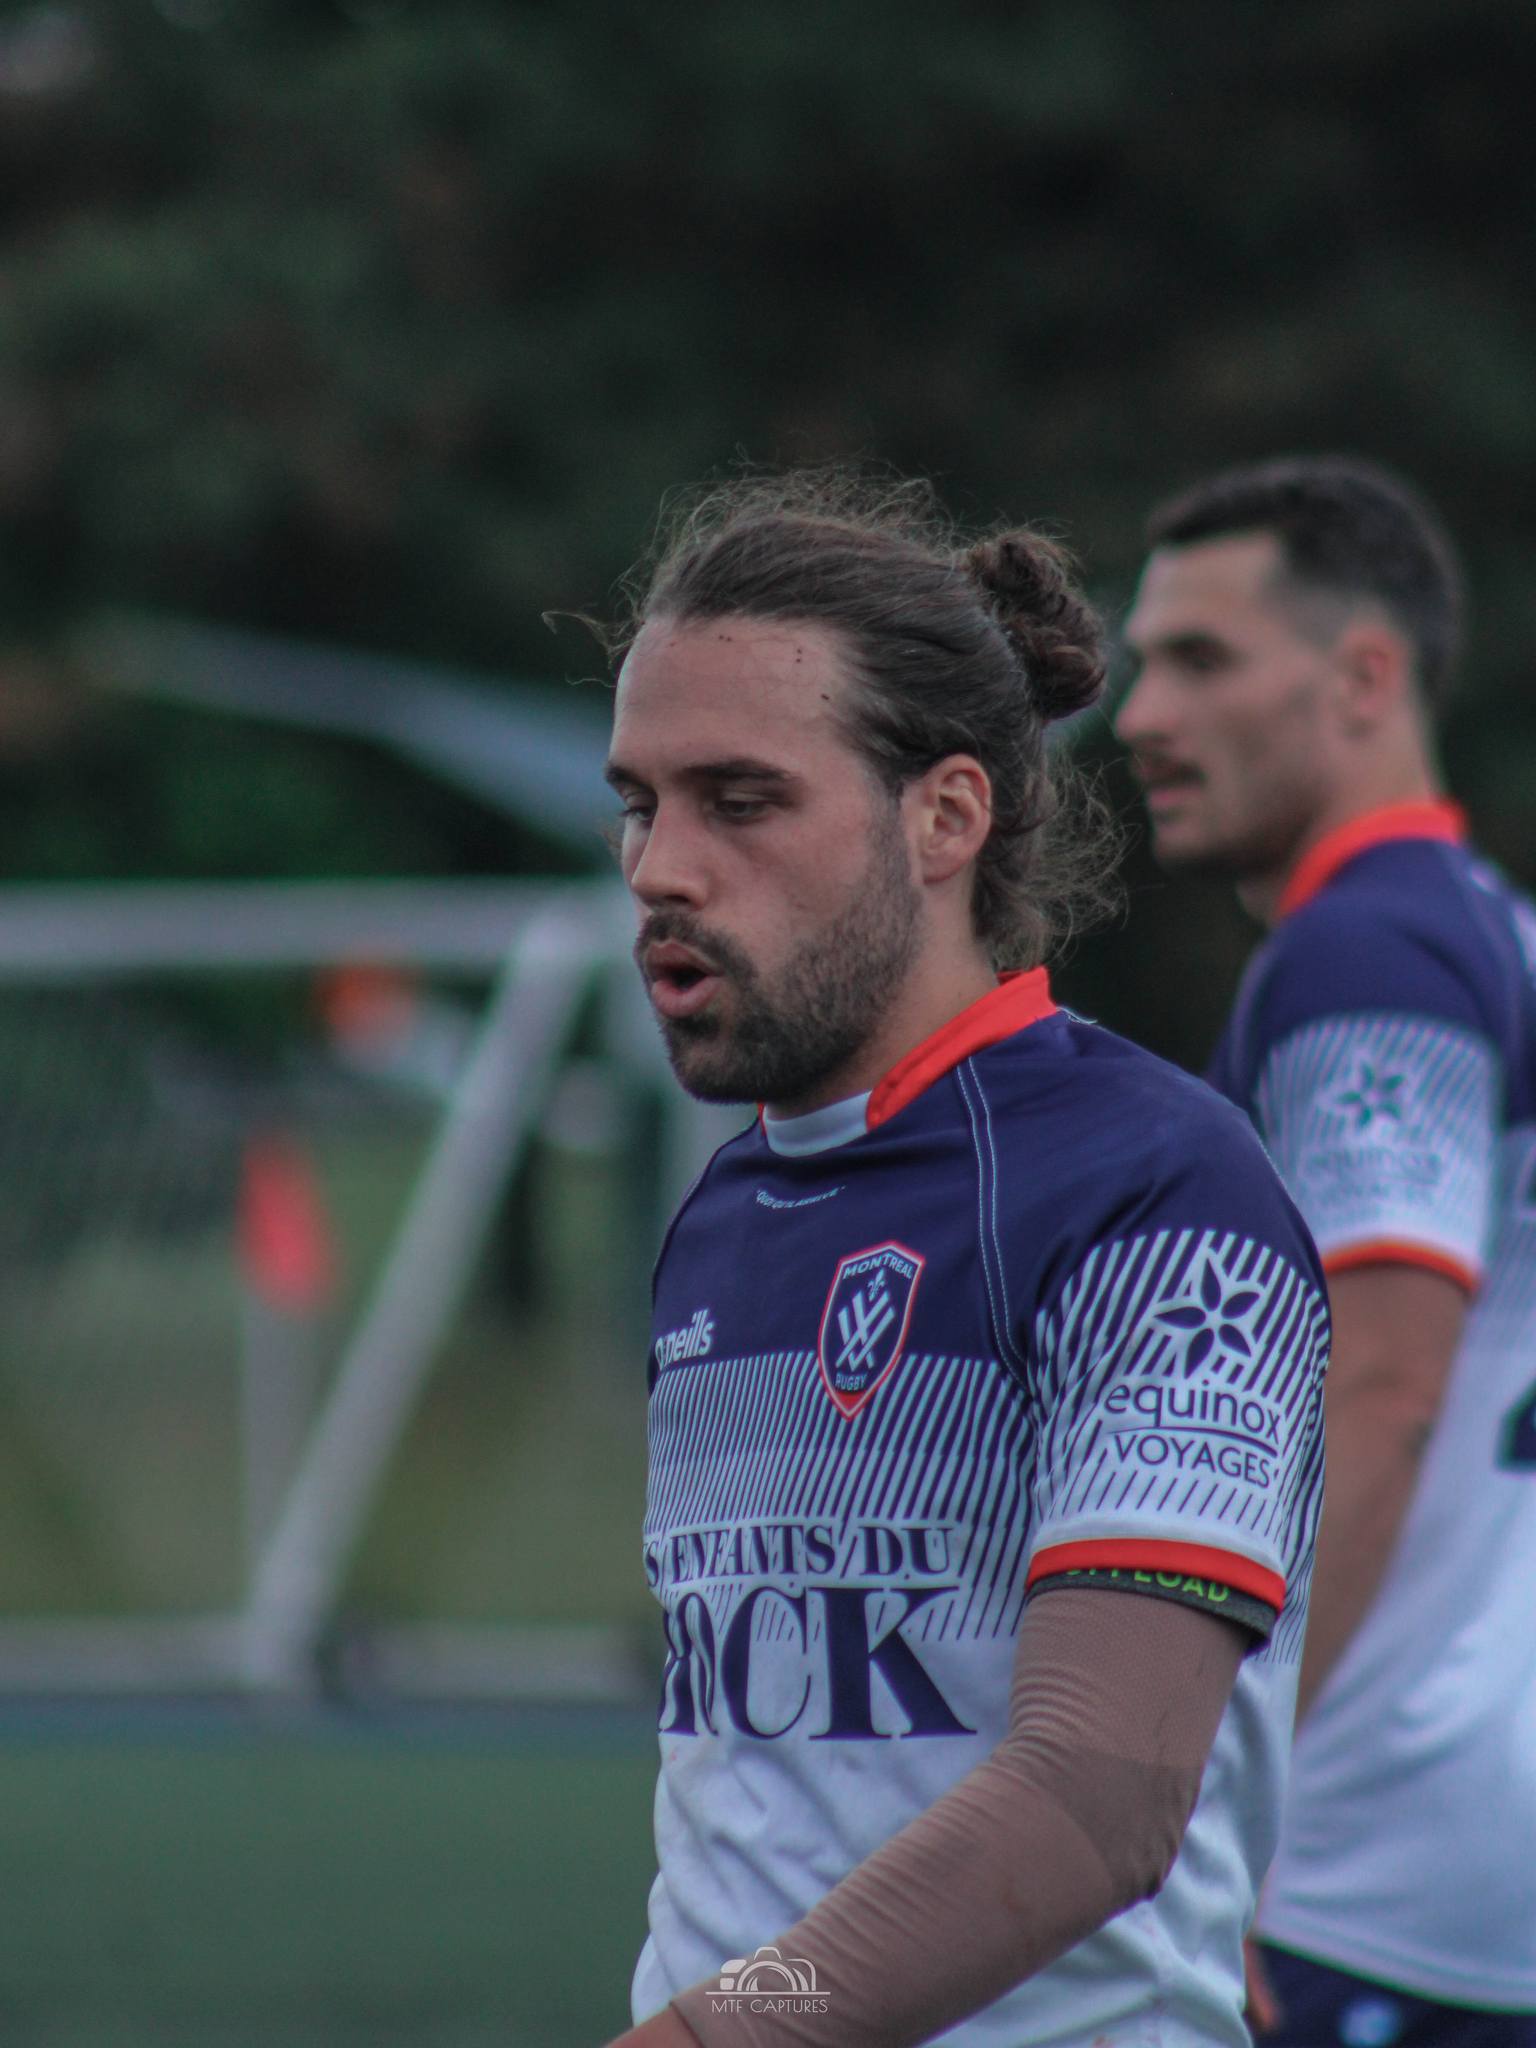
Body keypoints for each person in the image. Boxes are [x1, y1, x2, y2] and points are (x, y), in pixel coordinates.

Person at [598, 470, 1329, 2048]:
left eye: (740, 800)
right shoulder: (725, 1216)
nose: (661, 864)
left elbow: (1102, 1792)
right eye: (639, 802)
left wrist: (727, 2029)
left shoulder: (1156, 1189)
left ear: (947, 815)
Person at [1117, 454, 1536, 2047]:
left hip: (1364, 1857)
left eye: (1203, 659)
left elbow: (1380, 1387)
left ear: (1365, 676)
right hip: (1461, 1830)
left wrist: (1201, 1806)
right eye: (1146, 661)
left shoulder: (1369, 950)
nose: (1145, 712)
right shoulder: (1480, 921)